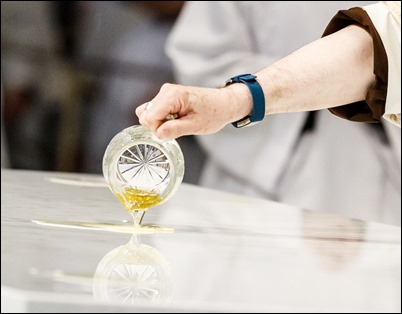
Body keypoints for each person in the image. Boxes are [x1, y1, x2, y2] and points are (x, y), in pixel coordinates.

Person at [136, 2, 401, 225]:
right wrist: (233, 100)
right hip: (273, 176)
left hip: (379, 160)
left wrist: (377, 98)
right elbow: (381, 47)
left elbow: (386, 51)